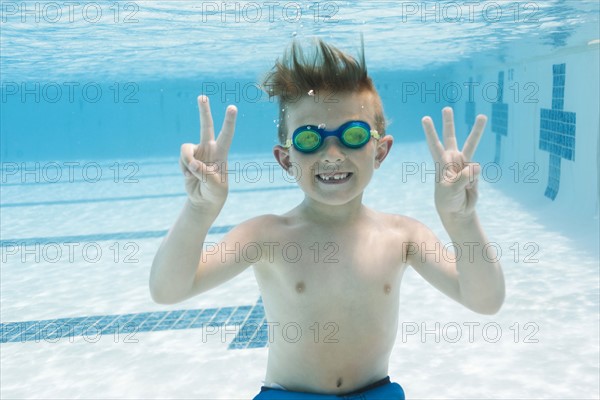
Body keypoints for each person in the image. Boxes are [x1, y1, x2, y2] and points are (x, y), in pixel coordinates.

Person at [149, 38, 505, 399]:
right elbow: (168, 290)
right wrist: (198, 211)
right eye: (309, 138)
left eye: (353, 135)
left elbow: (485, 300)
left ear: (380, 151)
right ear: (286, 159)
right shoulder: (266, 236)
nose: (332, 153)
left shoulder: (403, 236)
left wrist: (461, 221)